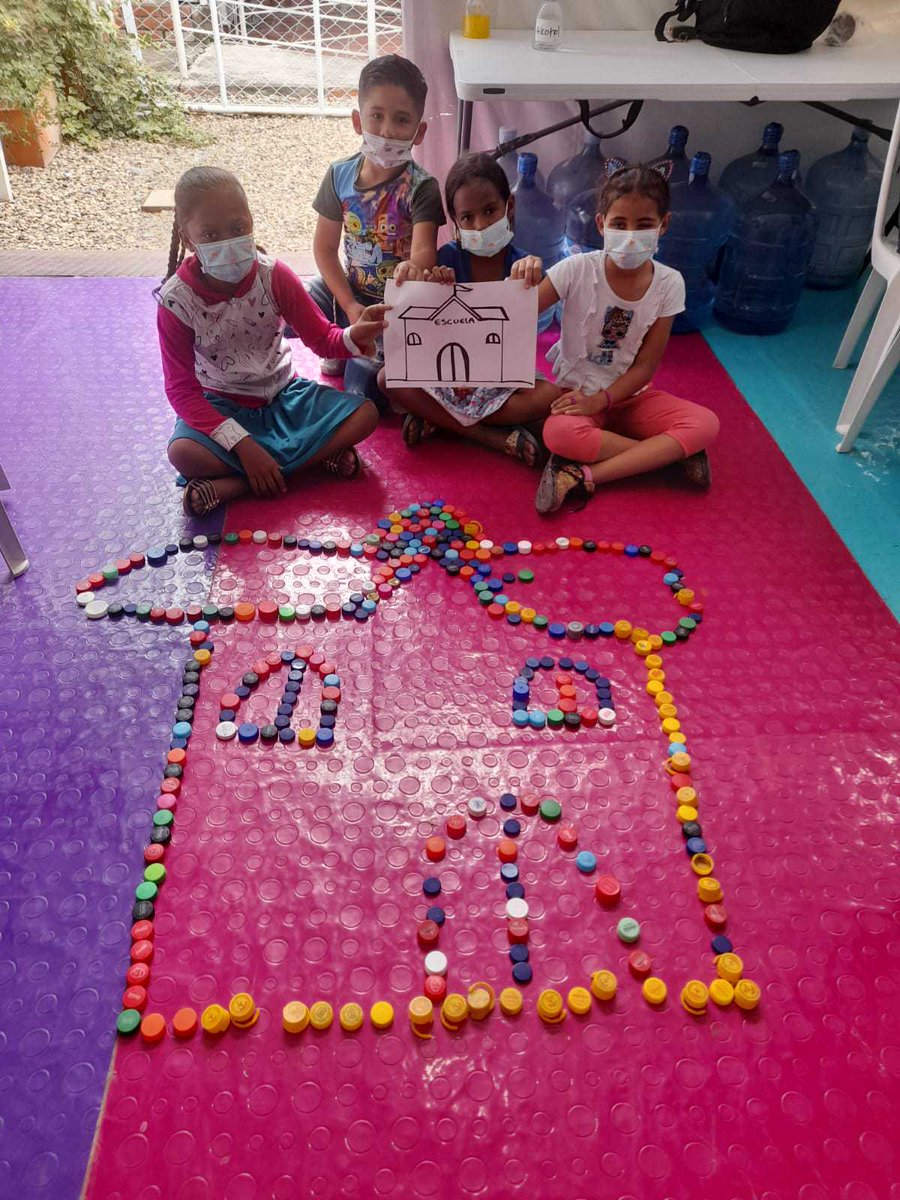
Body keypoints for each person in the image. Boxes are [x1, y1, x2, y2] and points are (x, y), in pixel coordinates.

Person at [157, 166, 387, 516]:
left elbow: (323, 339)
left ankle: (241, 484)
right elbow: (181, 392)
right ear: (188, 239)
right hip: (220, 407)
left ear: (251, 219)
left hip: (284, 398)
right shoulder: (176, 301)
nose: (227, 241)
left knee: (366, 414)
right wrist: (243, 445)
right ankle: (308, 463)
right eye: (210, 234)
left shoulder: (273, 275)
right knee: (183, 453)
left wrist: (355, 336)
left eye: (237, 229)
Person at [510, 163, 720, 513]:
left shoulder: (669, 284)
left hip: (629, 398)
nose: (631, 236)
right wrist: (521, 274)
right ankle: (667, 457)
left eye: (645, 225)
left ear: (664, 225)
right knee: (558, 434)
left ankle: (587, 475)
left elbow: (646, 367)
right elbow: (517, 312)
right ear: (600, 224)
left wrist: (602, 402)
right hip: (574, 396)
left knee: (706, 423)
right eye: (620, 225)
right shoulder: (576, 269)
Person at [381, 151, 548, 466]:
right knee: (386, 377)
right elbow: (426, 335)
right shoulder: (447, 259)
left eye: (489, 211)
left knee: (553, 396)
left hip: (500, 376)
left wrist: (532, 281)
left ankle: (442, 421)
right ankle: (490, 436)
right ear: (455, 221)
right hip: (450, 374)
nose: (481, 224)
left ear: (509, 206)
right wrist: (430, 288)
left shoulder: (522, 264)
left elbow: (533, 329)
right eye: (468, 217)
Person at [309, 53, 444, 401]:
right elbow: (324, 249)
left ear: (419, 131)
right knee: (302, 297)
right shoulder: (339, 175)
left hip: (395, 309)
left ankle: (360, 350)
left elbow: (424, 252)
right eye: (376, 116)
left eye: (401, 120)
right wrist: (351, 306)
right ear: (358, 120)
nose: (386, 131)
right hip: (349, 297)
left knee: (365, 390)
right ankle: (339, 337)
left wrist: (414, 267)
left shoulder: (422, 187)